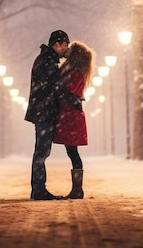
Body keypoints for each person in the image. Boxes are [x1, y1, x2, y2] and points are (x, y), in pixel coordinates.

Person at [24, 30, 71, 200]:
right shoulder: (47, 61)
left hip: (43, 110)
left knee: (42, 151)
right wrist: (71, 97)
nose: (66, 49)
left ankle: (38, 189)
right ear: (57, 44)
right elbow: (53, 87)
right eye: (65, 45)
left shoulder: (46, 59)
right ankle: (38, 190)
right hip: (44, 112)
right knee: (42, 151)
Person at [52, 40, 94, 199]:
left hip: (71, 116)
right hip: (69, 114)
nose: (67, 49)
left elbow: (69, 91)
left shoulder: (76, 72)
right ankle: (77, 189)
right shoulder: (72, 69)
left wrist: (57, 90)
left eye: (71, 47)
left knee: (73, 152)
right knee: (72, 152)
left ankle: (78, 189)